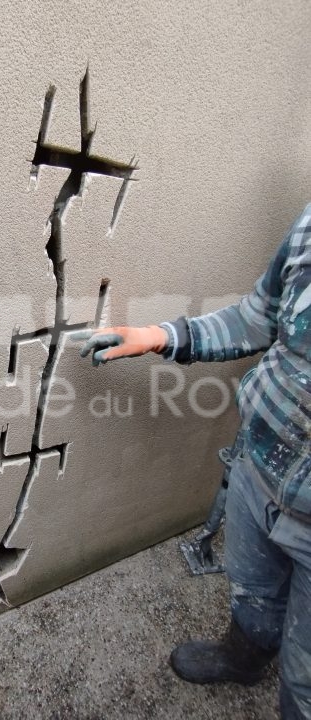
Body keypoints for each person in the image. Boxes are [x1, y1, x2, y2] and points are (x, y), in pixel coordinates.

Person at [79, 204, 311, 720]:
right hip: (259, 464)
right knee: (252, 588)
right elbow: (259, 318)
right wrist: (161, 336)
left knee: (306, 681)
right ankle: (245, 657)